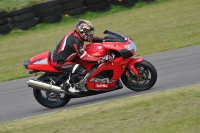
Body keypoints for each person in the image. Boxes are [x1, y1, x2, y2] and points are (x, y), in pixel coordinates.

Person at [52, 20, 104, 93]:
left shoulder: (78, 35)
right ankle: (69, 87)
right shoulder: (75, 41)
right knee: (81, 69)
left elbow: (91, 38)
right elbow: (84, 57)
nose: (90, 34)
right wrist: (99, 60)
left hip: (68, 57)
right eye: (89, 32)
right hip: (61, 62)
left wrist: (104, 40)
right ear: (83, 32)